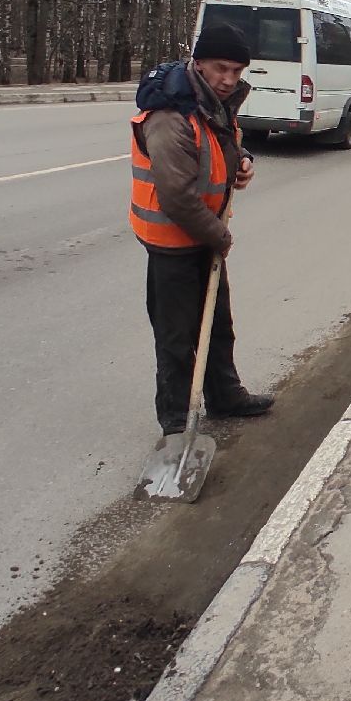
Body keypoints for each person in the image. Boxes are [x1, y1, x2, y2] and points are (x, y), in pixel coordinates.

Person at [129, 26, 275, 436]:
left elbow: (220, 146)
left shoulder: (213, 102)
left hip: (203, 234)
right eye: (220, 68)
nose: (229, 78)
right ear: (199, 63)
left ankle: (225, 396)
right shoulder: (171, 116)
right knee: (176, 337)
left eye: (237, 70)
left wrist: (241, 161)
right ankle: (176, 422)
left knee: (217, 323)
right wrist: (220, 236)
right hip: (172, 241)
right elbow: (176, 197)